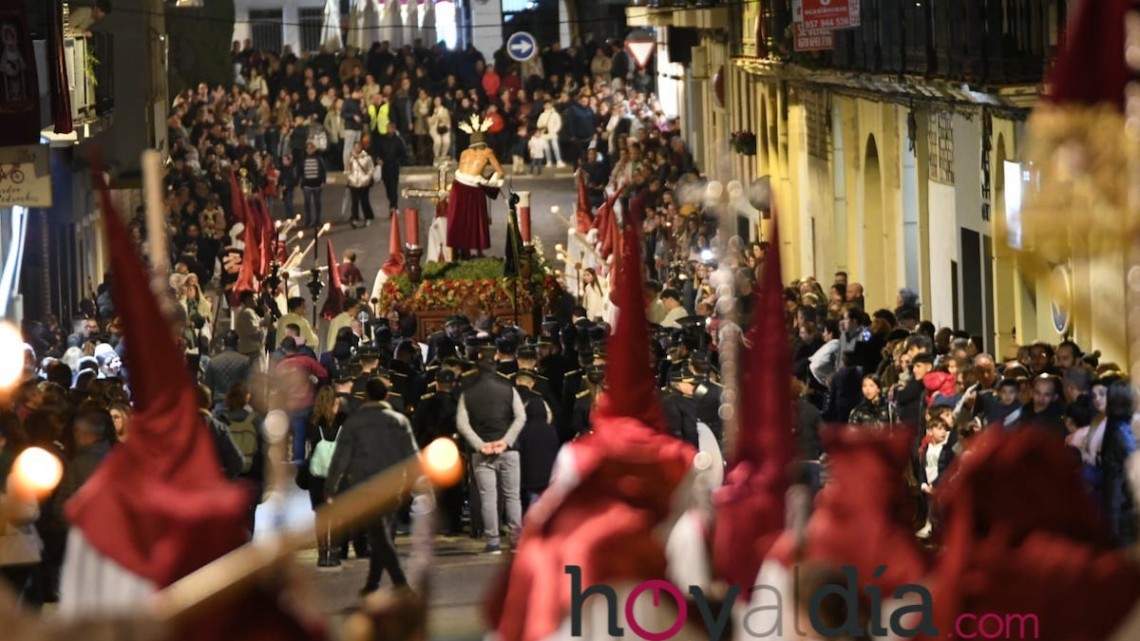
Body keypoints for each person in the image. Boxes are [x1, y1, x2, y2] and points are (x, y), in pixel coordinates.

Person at [326, 378, 417, 595]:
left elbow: (341, 457)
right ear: (386, 395)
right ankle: (373, 584)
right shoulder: (399, 421)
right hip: (393, 485)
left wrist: (331, 486)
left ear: (366, 395)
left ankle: (400, 583)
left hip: (364, 486)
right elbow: (412, 456)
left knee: (379, 535)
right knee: (381, 534)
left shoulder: (354, 422)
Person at [455, 347, 527, 553]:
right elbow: (520, 416)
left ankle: (493, 541)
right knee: (512, 496)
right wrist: (506, 441)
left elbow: (462, 423)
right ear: (496, 367)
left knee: (488, 497)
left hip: (482, 453)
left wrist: (480, 445)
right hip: (509, 450)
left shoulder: (467, 393)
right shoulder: (508, 388)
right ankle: (516, 540)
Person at [446, 114, 505, 260]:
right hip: (473, 188)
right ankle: (478, 250)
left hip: (458, 186)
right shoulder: (488, 152)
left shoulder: (463, 153)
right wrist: (491, 181)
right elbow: (501, 172)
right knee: (476, 219)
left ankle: (460, 251)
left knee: (459, 219)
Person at [376, 122, 409, 217]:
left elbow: (403, 154)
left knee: (393, 187)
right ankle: (392, 203)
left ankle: (394, 206)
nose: (390, 130)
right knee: (388, 188)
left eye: (391, 128)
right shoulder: (382, 140)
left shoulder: (398, 141)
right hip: (385, 167)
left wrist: (399, 162)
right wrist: (378, 159)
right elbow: (378, 152)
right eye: (388, 128)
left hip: (394, 167)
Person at [345, 140, 376, 228]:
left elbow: (371, 170)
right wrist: (351, 178)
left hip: (364, 183)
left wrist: (366, 179)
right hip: (353, 183)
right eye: (355, 147)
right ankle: (354, 218)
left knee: (364, 201)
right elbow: (348, 170)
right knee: (354, 202)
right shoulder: (351, 158)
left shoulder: (367, 158)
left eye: (358, 147)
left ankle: (368, 217)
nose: (356, 148)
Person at [300, 142, 327, 228]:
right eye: (308, 148)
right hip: (307, 185)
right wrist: (301, 182)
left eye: (311, 148)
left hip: (317, 184)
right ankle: (308, 220)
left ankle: (317, 220)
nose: (309, 150)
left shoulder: (319, 159)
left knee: (317, 203)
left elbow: (323, 170)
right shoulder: (303, 159)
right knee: (307, 204)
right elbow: (300, 171)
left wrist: (323, 181)